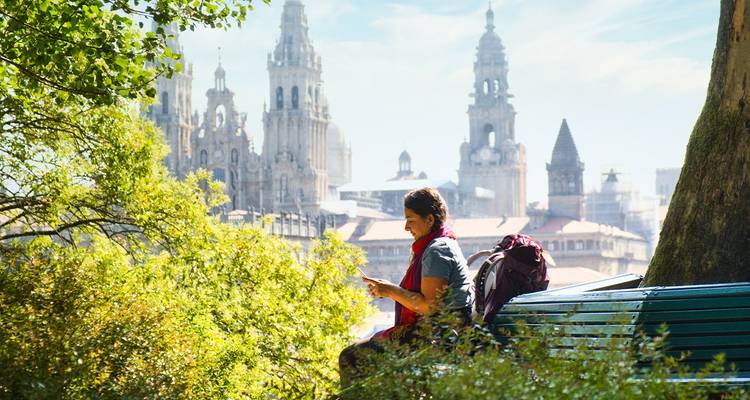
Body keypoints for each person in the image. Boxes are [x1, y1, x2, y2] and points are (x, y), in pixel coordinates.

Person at [338, 187, 474, 387]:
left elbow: (429, 306)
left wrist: (390, 290)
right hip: (445, 331)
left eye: (410, 220)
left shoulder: (437, 250)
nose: (406, 227)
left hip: (440, 337)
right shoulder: (438, 245)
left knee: (351, 356)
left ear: (429, 220)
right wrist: (388, 290)